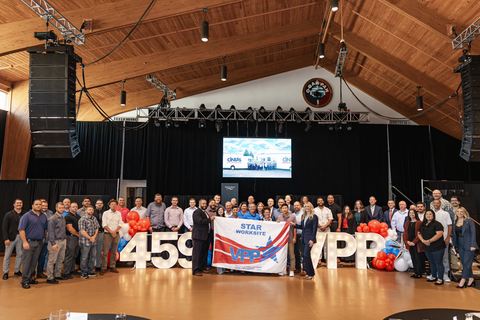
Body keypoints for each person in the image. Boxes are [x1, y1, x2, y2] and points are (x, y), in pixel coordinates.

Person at [18, 200, 48, 289]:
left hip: (39, 242)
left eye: (40, 205)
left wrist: (43, 239)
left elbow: (45, 229)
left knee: (34, 262)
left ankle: (31, 278)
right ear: (32, 205)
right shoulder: (26, 216)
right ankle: (25, 281)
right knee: (27, 262)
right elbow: (21, 230)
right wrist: (24, 242)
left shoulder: (44, 216)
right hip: (29, 242)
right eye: (36, 204)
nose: (38, 206)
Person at [452, 207, 478, 288]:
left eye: (462, 211)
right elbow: (454, 234)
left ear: (465, 213)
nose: (460, 213)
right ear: (456, 213)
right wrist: (454, 244)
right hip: (459, 244)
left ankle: (463, 280)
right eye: (458, 211)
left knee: (467, 263)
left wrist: (473, 245)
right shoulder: (455, 221)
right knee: (464, 262)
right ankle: (471, 278)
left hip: (469, 244)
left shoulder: (469, 221)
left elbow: (473, 233)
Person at [418, 210, 446, 285]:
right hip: (427, 247)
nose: (428, 215)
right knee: (431, 262)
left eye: (430, 214)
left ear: (433, 215)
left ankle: (440, 278)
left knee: (438, 262)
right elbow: (419, 233)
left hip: (437, 247)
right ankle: (434, 276)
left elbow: (439, 234)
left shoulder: (437, 224)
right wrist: (423, 241)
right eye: (427, 214)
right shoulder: (423, 224)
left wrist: (429, 241)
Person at [2, 199, 26, 280]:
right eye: (17, 203)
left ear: (22, 204)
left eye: (20, 203)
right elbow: (4, 228)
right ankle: (5, 272)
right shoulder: (8, 214)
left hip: (21, 237)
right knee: (7, 255)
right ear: (14, 205)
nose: (19, 204)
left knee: (20, 254)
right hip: (11, 238)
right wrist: (6, 238)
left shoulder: (25, 214)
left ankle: (17, 270)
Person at [295, 202, 318, 280]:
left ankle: (310, 273)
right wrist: (293, 224)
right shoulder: (303, 216)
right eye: (305, 206)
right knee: (305, 256)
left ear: (311, 207)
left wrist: (312, 239)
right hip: (303, 238)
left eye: (308, 206)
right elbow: (302, 227)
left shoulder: (314, 217)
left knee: (306, 255)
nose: (307, 207)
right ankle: (309, 273)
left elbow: (314, 229)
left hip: (309, 239)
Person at [431, 199, 453, 283]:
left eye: (437, 203)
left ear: (440, 204)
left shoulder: (445, 213)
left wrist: (448, 237)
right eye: (434, 203)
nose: (436, 204)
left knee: (445, 258)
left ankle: (445, 274)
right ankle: (435, 274)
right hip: (433, 240)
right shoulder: (431, 213)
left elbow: (449, 225)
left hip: (443, 239)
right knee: (434, 258)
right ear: (432, 204)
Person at [192, 199, 215, 276]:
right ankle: (195, 270)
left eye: (205, 203)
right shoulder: (197, 212)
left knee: (203, 254)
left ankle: (202, 268)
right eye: (203, 203)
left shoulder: (205, 212)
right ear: (199, 204)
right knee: (197, 254)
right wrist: (210, 219)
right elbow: (200, 221)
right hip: (198, 236)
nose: (204, 205)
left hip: (205, 236)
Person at [100, 199, 122, 275]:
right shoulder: (106, 213)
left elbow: (120, 224)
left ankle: (112, 266)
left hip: (116, 234)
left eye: (115, 204)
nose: (113, 205)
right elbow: (104, 224)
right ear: (109, 205)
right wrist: (111, 232)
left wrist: (115, 231)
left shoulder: (119, 213)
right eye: (112, 204)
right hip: (107, 234)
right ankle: (103, 267)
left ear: (117, 205)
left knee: (114, 251)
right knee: (105, 251)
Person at [46, 202, 67, 284]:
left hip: (62, 241)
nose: (61, 209)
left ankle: (58, 275)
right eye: (60, 208)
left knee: (60, 259)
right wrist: (53, 243)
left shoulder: (63, 218)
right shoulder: (52, 219)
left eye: (63, 208)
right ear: (56, 208)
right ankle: (49, 278)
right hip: (55, 242)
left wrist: (64, 239)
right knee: (52, 261)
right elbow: (50, 232)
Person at [78, 205, 100, 279]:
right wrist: (90, 238)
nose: (91, 211)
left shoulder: (94, 218)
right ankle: (84, 272)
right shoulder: (82, 219)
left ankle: (90, 271)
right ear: (86, 211)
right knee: (84, 257)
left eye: (92, 210)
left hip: (93, 241)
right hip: (85, 242)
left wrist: (94, 237)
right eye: (89, 210)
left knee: (92, 256)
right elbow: (82, 231)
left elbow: (97, 228)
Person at [276, 204, 297, 277]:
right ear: (281, 209)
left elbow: (295, 228)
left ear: (288, 209)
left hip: (290, 238)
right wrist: (277, 223)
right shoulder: (279, 217)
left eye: (285, 208)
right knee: (282, 255)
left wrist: (294, 237)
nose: (284, 209)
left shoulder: (292, 217)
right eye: (283, 208)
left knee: (291, 255)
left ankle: (292, 269)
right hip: (282, 240)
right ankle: (283, 269)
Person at [404, 209, 424, 279]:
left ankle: (419, 273)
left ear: (415, 214)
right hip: (410, 243)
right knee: (413, 257)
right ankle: (415, 272)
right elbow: (405, 232)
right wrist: (407, 241)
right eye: (410, 213)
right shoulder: (407, 223)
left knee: (418, 258)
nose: (411, 214)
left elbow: (420, 233)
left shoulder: (419, 222)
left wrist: (414, 242)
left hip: (417, 243)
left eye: (413, 213)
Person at [36, 200, 54, 279]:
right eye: (42, 206)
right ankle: (31, 274)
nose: (44, 207)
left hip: (46, 239)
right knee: (34, 256)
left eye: (46, 206)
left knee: (43, 256)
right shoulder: (34, 215)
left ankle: (40, 272)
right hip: (36, 239)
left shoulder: (50, 215)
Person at [63, 202, 81, 279]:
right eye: (73, 207)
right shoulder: (68, 217)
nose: (75, 208)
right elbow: (70, 228)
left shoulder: (78, 216)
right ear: (70, 208)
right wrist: (78, 235)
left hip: (77, 237)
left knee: (74, 254)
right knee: (69, 255)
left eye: (76, 207)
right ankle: (66, 273)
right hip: (71, 237)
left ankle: (72, 270)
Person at [448, 196, 461, 272]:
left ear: (459, 202)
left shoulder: (463, 211)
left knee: (462, 251)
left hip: (461, 234)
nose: (454, 202)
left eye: (456, 200)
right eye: (452, 200)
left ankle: (463, 267)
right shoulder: (448, 212)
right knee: (453, 251)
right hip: (452, 234)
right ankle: (455, 267)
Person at [92, 200, 105, 271]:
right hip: (93, 234)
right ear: (95, 204)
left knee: (100, 250)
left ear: (102, 205)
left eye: (101, 203)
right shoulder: (92, 212)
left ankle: (98, 265)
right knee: (93, 250)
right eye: (98, 203)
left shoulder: (105, 212)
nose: (99, 205)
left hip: (101, 232)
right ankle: (92, 265)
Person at [292, 201, 304, 274]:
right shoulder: (292, 215)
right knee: (296, 253)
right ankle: (298, 268)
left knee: (302, 253)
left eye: (297, 205)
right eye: (295, 205)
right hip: (294, 236)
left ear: (300, 206)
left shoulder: (303, 214)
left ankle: (305, 269)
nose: (296, 206)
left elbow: (303, 226)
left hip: (301, 236)